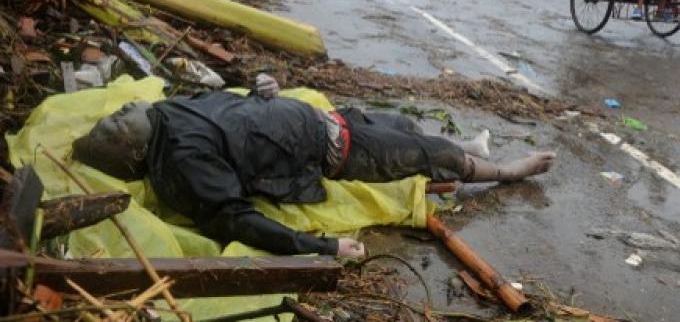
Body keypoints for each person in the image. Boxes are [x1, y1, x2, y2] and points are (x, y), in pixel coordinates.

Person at [72, 74, 556, 259]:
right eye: (113, 132)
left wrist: (258, 86)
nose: (116, 115)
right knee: (432, 157)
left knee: (402, 125)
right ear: (134, 155)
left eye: (112, 116)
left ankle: (471, 146)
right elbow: (235, 218)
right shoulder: (182, 161)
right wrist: (322, 246)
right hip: (340, 150)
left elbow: (228, 101)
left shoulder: (167, 111)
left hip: (325, 118)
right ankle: (510, 172)